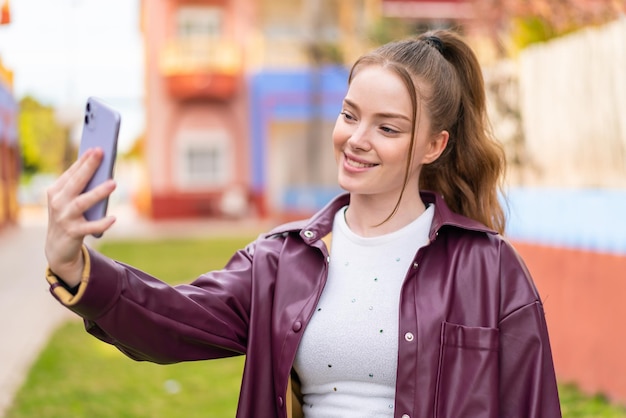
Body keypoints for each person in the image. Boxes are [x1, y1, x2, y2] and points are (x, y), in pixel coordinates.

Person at [45, 29, 561, 418]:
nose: (357, 139)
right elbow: (172, 320)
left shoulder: (490, 268)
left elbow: (534, 405)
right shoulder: (279, 262)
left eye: (387, 127)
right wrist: (76, 267)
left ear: (433, 146)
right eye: (349, 114)